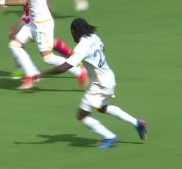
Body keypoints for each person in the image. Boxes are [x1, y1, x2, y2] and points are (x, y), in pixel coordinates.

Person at [19, 18, 147, 149]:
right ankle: (137, 123)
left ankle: (109, 137)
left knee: (82, 115)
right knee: (102, 108)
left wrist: (42, 74)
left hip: (100, 85)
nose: (72, 35)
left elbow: (64, 67)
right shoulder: (94, 37)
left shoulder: (82, 47)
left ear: (75, 31)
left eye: (72, 32)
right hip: (109, 78)